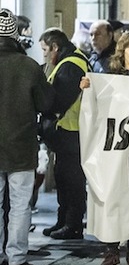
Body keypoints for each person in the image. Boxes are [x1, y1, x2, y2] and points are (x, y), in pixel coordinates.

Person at [80, 30, 129, 265]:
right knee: (110, 197)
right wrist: (89, 88)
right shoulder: (109, 76)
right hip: (112, 149)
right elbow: (99, 103)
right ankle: (111, 252)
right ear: (123, 50)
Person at [0, 9, 52, 265]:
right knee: (20, 204)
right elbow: (46, 103)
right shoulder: (29, 65)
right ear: (15, 35)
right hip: (21, 145)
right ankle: (17, 258)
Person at [39, 28, 91, 241]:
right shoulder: (71, 60)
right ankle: (64, 221)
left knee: (71, 180)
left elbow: (59, 100)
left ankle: (72, 225)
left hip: (72, 130)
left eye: (45, 50)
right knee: (63, 177)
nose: (43, 55)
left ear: (55, 47)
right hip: (69, 130)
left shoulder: (70, 65)